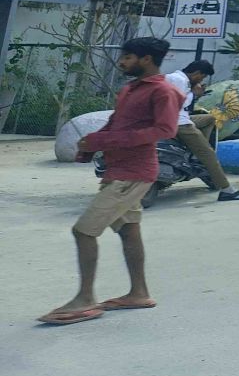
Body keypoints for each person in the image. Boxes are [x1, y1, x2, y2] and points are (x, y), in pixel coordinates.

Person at [38, 37, 184, 325]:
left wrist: (110, 141)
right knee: (129, 231)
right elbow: (116, 122)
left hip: (134, 173)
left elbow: (165, 130)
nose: (122, 62)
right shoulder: (130, 89)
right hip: (118, 170)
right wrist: (92, 143)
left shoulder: (163, 91)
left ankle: (85, 299)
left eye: (128, 57)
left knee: (84, 231)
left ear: (146, 59)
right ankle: (139, 293)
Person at [164, 60, 239, 202]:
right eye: (202, 77)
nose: (201, 81)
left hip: (178, 118)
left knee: (209, 119)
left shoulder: (176, 78)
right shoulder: (179, 80)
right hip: (179, 123)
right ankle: (227, 190)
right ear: (197, 73)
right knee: (209, 155)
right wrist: (194, 93)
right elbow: (176, 103)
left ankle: (195, 154)